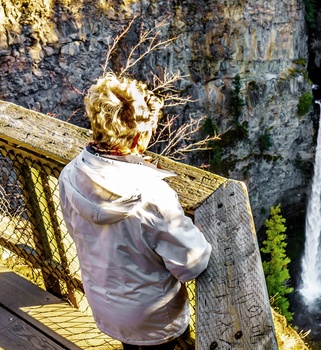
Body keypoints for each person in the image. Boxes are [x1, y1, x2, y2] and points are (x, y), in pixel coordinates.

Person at [58, 73, 212, 349]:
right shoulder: (152, 194)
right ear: (138, 137)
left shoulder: (70, 175)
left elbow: (79, 231)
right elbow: (192, 263)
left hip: (105, 304)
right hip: (154, 317)